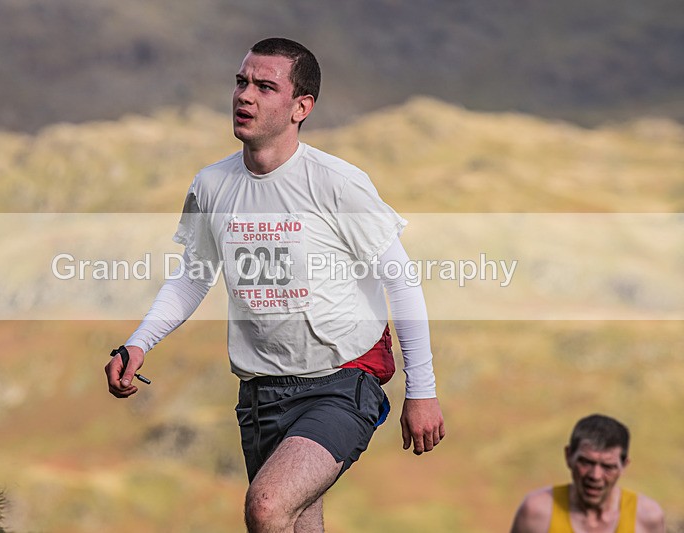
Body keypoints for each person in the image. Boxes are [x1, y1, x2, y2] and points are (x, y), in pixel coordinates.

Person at [105, 37, 444, 532]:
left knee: (266, 506)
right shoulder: (211, 185)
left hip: (341, 381)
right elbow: (193, 276)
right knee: (293, 520)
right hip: (259, 393)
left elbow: (403, 282)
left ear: (300, 107)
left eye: (265, 87)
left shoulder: (337, 183)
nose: (245, 95)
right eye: (241, 82)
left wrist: (423, 391)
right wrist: (138, 344)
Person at [510, 414, 665, 533]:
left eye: (608, 467)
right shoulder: (537, 513)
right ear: (568, 456)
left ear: (624, 466)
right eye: (586, 462)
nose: (595, 476)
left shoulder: (646, 517)